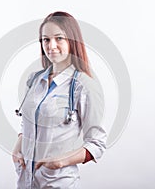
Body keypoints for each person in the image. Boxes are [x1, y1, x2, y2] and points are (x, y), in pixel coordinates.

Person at [12, 11, 107, 189]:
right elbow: (28, 123)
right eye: (46, 40)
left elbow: (97, 143)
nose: (51, 46)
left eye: (59, 38)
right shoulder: (34, 80)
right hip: (25, 181)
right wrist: (17, 148)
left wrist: (60, 162)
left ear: (72, 40)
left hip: (56, 182)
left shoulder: (84, 85)